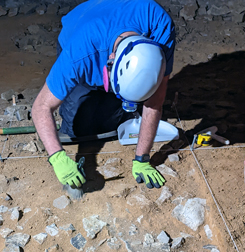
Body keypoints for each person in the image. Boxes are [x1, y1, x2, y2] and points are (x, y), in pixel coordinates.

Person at [32, 0, 175, 190]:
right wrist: (57, 157)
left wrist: (142, 158)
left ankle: (116, 100)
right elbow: (41, 107)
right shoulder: (79, 55)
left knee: (110, 120)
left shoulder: (160, 29)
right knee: (78, 127)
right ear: (111, 61)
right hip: (79, 29)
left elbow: (154, 102)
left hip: (112, 27)